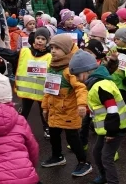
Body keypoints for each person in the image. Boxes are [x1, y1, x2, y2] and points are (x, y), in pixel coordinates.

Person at [69, 51, 126, 184]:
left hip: (114, 129)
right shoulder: (98, 83)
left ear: (87, 71)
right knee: (97, 152)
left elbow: (112, 109)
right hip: (107, 129)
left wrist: (111, 132)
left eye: (78, 75)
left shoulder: (100, 86)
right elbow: (101, 108)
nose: (77, 79)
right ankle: (104, 178)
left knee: (106, 158)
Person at [39, 34, 91, 176]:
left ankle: (83, 162)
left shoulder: (70, 69)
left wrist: (81, 105)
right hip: (54, 110)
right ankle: (57, 156)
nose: (53, 51)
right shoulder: (53, 66)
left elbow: (81, 88)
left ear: (67, 50)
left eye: (57, 48)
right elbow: (48, 89)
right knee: (54, 134)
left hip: (69, 110)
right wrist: (45, 107)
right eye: (52, 48)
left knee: (72, 137)